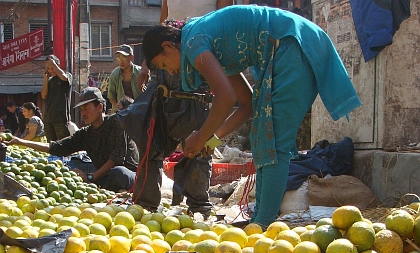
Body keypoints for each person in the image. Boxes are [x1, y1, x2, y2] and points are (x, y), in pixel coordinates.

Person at [142, 5, 361, 227]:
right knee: (263, 138)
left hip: (291, 43)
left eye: (163, 64)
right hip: (286, 46)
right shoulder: (206, 41)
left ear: (168, 46)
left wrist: (200, 137)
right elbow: (247, 106)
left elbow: (225, 98)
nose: (170, 72)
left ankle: (263, 225)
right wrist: (211, 138)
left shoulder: (193, 43)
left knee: (275, 142)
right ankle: (260, 218)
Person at [136, 0, 233, 217]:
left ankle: (198, 205)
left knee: (199, 129)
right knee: (152, 132)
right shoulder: (163, 51)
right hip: (168, 54)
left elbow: (225, 18)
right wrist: (148, 64)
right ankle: (146, 204)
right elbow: (162, 24)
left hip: (198, 54)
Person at [5, 88, 139, 193]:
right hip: (104, 177)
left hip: (129, 175)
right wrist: (21, 142)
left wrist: (91, 177)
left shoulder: (116, 123)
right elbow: (58, 147)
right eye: (81, 110)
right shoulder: (85, 134)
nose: (84, 113)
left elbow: (117, 158)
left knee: (118, 172)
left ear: (100, 107)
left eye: (86, 108)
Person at [41, 54, 72, 142]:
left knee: (64, 144)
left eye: (52, 67)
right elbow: (43, 95)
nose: (51, 70)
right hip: (48, 118)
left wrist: (53, 64)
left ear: (57, 65)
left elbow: (64, 78)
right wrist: (45, 79)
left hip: (60, 118)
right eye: (48, 68)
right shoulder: (50, 81)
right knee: (51, 146)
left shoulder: (66, 75)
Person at [108, 45, 143, 113]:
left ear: (131, 57)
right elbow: (111, 96)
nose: (121, 61)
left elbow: (147, 93)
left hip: (138, 111)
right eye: (119, 57)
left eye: (124, 57)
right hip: (120, 113)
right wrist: (118, 109)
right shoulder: (114, 74)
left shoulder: (140, 72)